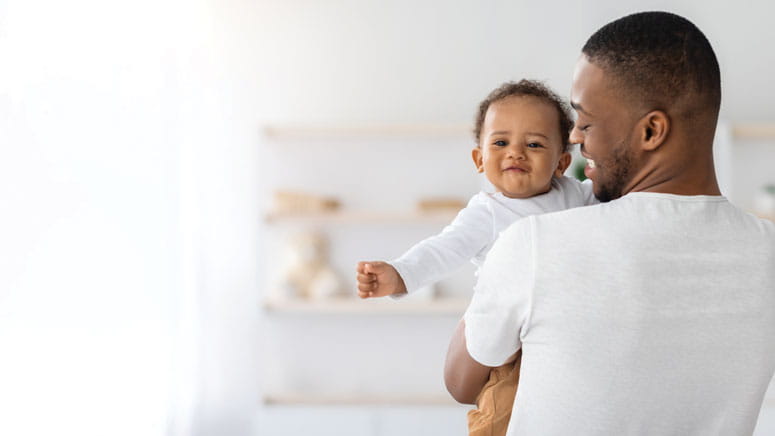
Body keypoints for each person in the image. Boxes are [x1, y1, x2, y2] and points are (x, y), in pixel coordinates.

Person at [444, 11, 775, 436]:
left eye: (585, 122)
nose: (576, 139)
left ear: (652, 130)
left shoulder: (535, 244)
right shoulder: (768, 253)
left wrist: (496, 268)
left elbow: (460, 382)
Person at [356, 79, 597, 435]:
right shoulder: (486, 212)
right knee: (500, 415)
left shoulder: (574, 195)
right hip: (509, 345)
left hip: (561, 337)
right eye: (501, 143)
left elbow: (616, 203)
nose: (515, 153)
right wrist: (399, 273)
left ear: (561, 162)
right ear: (479, 159)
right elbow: (443, 248)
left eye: (533, 144)